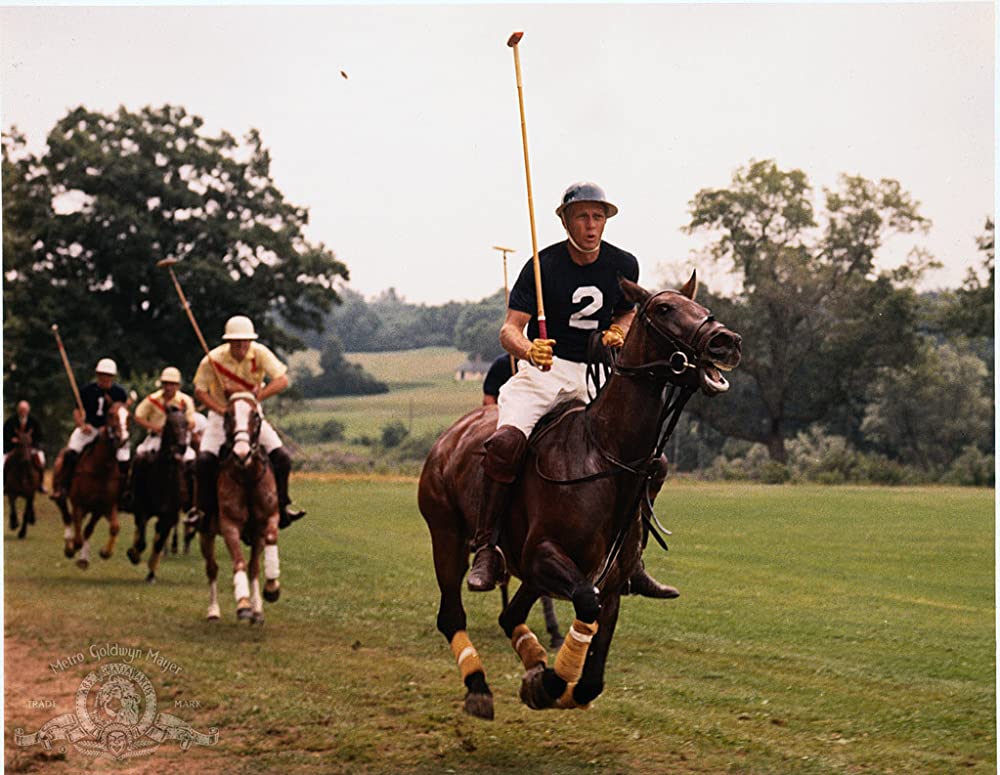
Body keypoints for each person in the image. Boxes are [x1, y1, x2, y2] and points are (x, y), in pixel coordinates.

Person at [466, 182, 678, 599]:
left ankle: (631, 560)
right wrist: (529, 349)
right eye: (582, 216)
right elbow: (509, 329)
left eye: (597, 216)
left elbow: (625, 317)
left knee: (651, 462)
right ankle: (487, 547)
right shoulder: (542, 265)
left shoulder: (623, 264)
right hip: (546, 371)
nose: (590, 225)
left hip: (597, 374)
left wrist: (618, 333)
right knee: (505, 443)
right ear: (565, 220)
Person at [191, 315, 305, 530]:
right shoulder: (212, 359)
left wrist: (254, 400)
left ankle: (282, 506)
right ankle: (203, 511)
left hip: (251, 414)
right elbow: (200, 391)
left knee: (282, 458)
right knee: (204, 461)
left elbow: (282, 380)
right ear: (228, 342)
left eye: (246, 341)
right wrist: (221, 409)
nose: (242, 345)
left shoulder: (260, 353)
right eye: (237, 341)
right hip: (221, 415)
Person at [52, 358, 131, 499]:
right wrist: (82, 425)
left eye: (108, 375)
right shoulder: (86, 390)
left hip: (110, 432)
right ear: (97, 375)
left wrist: (114, 429)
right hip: (89, 429)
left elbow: (122, 413)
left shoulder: (120, 393)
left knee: (124, 456)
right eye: (102, 375)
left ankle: (124, 491)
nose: (105, 378)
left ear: (113, 376)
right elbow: (77, 411)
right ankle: (63, 486)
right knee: (71, 452)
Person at [132, 367, 197, 462]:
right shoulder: (153, 399)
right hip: (156, 438)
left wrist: (178, 430)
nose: (168, 387)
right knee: (140, 456)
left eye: (172, 384)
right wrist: (155, 427)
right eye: (166, 384)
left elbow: (192, 423)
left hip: (178, 441)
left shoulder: (185, 401)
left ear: (178, 386)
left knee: (190, 458)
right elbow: (138, 417)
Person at [3, 400, 46, 491]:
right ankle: (4, 484)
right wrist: (12, 440)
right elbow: (5, 434)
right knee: (3, 462)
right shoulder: (11, 421)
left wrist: (32, 441)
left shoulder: (34, 421)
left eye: (25, 409)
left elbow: (40, 436)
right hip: (13, 448)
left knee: (41, 459)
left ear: (28, 410)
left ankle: (40, 484)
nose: (23, 411)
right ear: (18, 410)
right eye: (21, 409)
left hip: (31, 448)